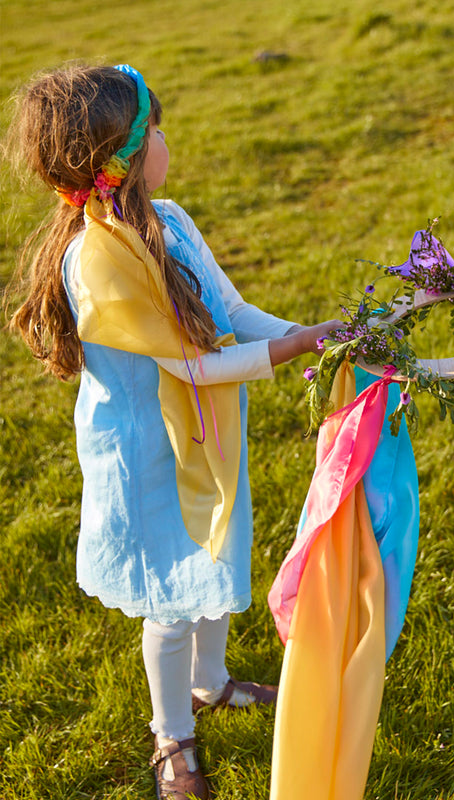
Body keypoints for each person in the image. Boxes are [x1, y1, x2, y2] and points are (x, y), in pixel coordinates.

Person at [5, 63, 341, 800]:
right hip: (145, 450)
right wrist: (289, 349)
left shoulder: (174, 220)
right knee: (170, 596)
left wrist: (311, 334)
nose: (167, 140)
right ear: (123, 157)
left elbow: (230, 312)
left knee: (214, 562)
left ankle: (211, 683)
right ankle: (172, 735)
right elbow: (190, 367)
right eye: (155, 129)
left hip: (203, 430)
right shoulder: (97, 259)